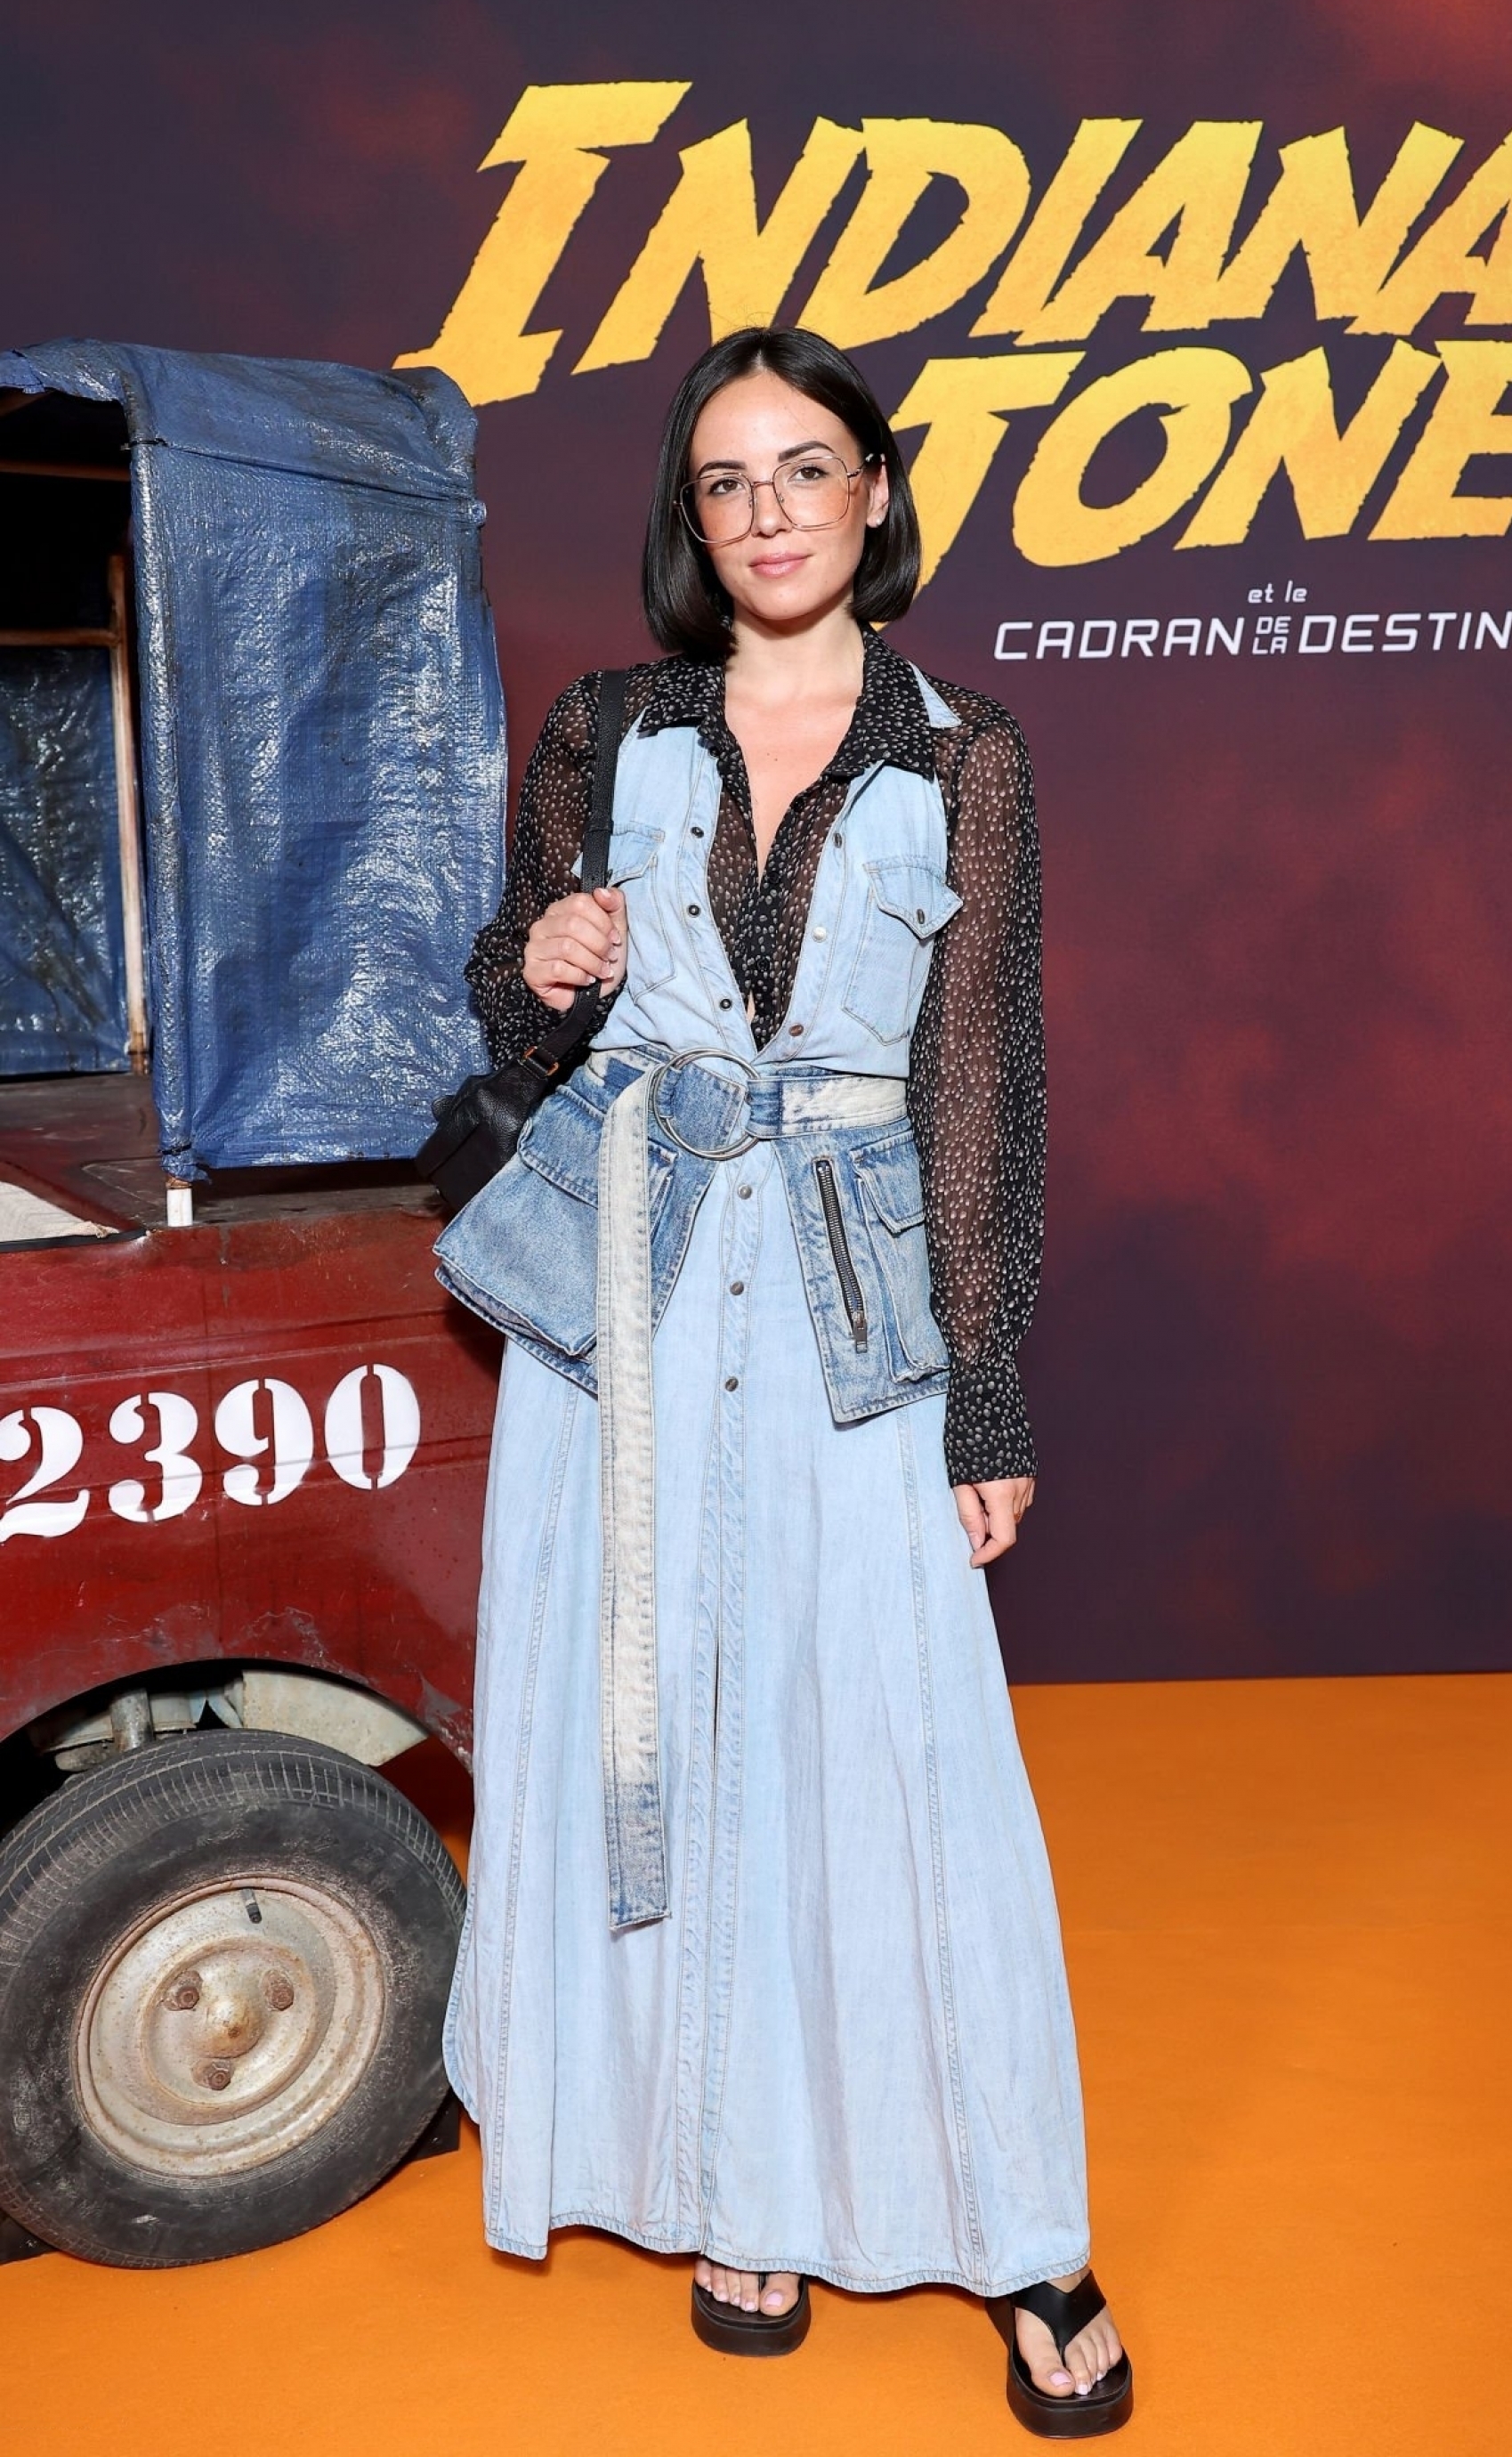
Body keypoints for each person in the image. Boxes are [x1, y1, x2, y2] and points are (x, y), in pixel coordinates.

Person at [433, 326, 1131, 2436]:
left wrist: (983, 1390)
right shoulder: (604, 728)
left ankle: (1019, 2233)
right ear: (691, 515)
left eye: (804, 468)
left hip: (850, 1313)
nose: (767, 513)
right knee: (640, 1726)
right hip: (625, 1312)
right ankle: (724, 2183)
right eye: (726, 480)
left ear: (873, 492)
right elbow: (515, 1014)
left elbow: (978, 1084)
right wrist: (541, 960)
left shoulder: (965, 754)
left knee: (895, 1752)